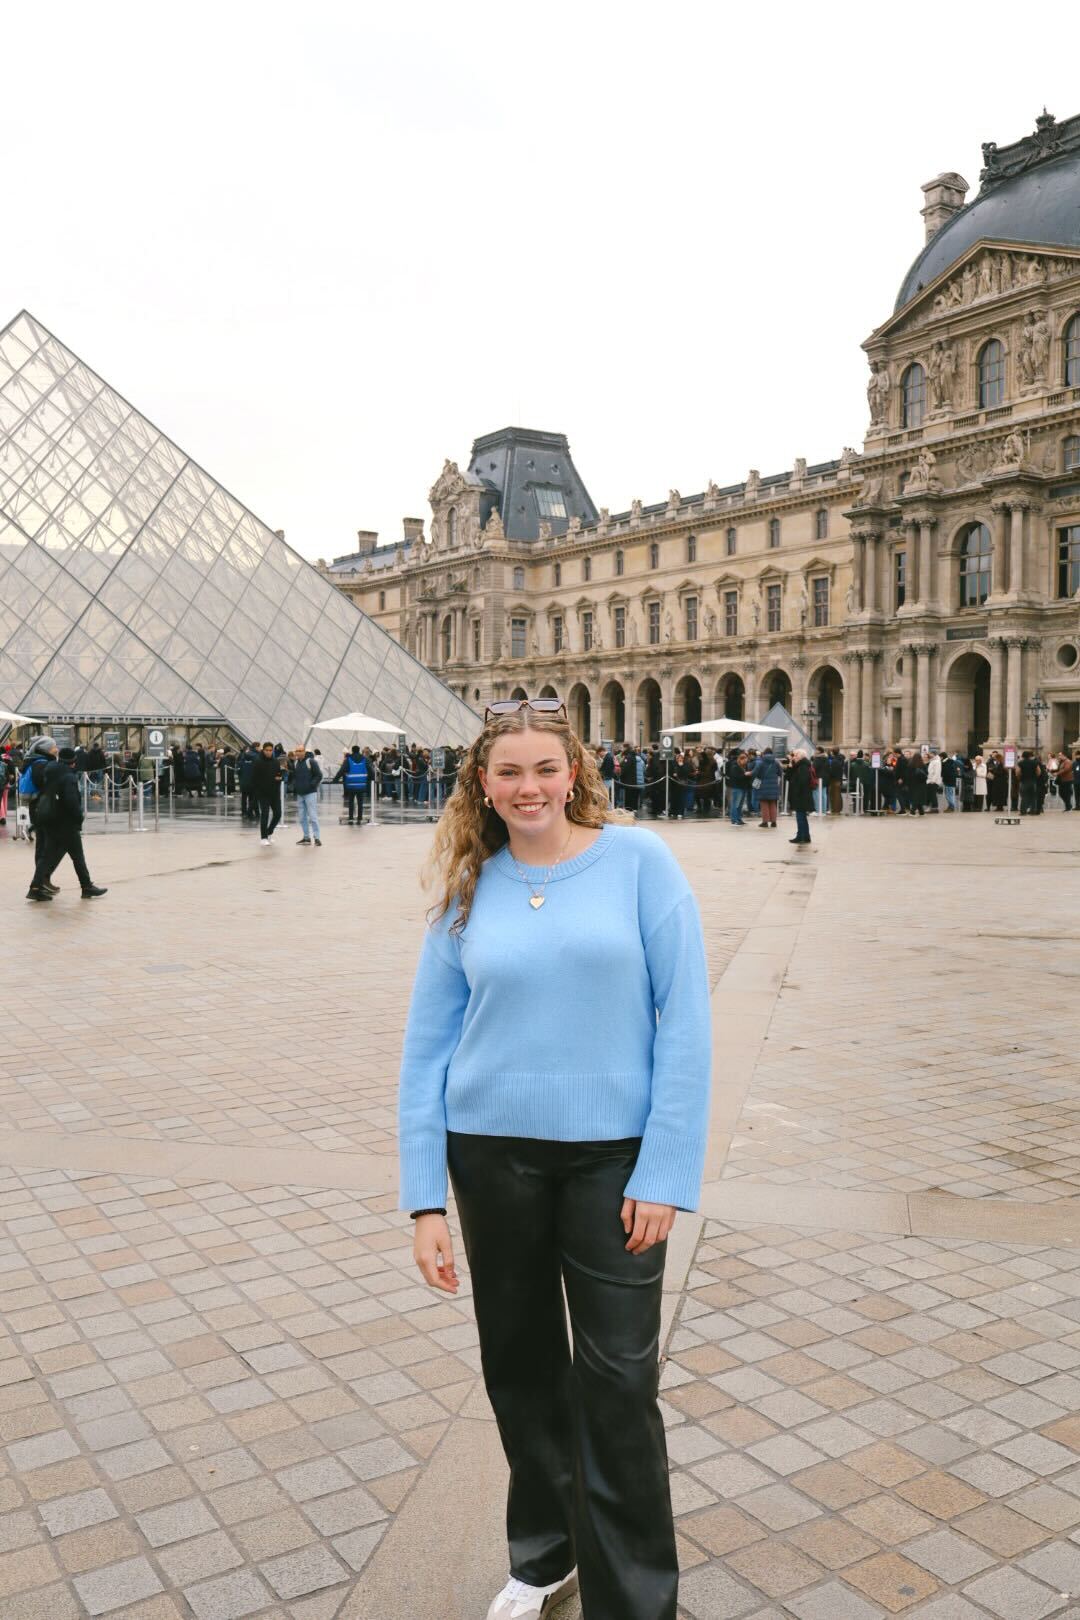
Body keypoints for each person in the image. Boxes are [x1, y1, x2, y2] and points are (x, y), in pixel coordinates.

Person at [399, 697, 711, 1620]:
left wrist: (665, 1169)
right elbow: (426, 1050)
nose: (528, 787)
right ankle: (544, 1556)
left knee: (620, 1382)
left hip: (614, 1162)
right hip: (491, 1157)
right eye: (508, 773)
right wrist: (425, 1201)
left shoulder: (641, 862)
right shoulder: (468, 885)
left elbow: (685, 1022)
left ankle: (636, 1600)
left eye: (544, 769)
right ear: (483, 786)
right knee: (522, 1371)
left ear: (572, 772)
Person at [28, 746, 107, 901]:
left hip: (51, 820)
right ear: (73, 762)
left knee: (47, 856)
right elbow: (71, 802)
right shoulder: (69, 777)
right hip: (66, 823)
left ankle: (35, 887)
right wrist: (79, 818)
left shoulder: (50, 772)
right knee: (78, 856)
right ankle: (86, 887)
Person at [251, 742, 283, 844]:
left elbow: (278, 774)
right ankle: (263, 837)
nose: (269, 752)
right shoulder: (258, 761)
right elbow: (254, 779)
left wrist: (279, 778)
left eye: (270, 750)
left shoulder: (276, 762)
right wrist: (258, 792)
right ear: (263, 750)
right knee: (264, 814)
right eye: (267, 750)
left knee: (278, 814)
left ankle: (269, 832)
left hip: (274, 793)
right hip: (263, 794)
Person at [292, 748, 323, 845]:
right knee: (302, 817)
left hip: (310, 793)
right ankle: (306, 837)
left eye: (301, 750)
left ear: (304, 752)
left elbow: (319, 775)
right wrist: (295, 785)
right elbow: (295, 776)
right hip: (300, 793)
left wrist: (312, 784)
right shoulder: (296, 763)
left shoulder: (310, 761)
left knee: (312, 816)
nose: (298, 752)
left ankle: (317, 837)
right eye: (297, 751)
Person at [334, 745, 369, 824]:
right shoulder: (364, 759)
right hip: (361, 784)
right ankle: (360, 817)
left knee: (351, 801)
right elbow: (370, 770)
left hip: (351, 784)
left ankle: (351, 817)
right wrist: (371, 779)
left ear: (352, 751)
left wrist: (335, 779)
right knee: (360, 802)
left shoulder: (348, 759)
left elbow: (342, 770)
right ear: (359, 750)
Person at [786, 748, 813, 845]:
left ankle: (801, 836)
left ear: (801, 756)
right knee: (801, 817)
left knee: (800, 817)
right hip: (800, 795)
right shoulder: (798, 766)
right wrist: (790, 765)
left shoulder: (803, 767)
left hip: (801, 796)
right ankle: (805, 836)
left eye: (795, 755)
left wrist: (795, 789)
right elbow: (788, 777)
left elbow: (802, 782)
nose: (794, 757)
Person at [756, 746, 781, 827]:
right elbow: (780, 773)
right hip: (774, 786)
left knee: (764, 804)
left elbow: (757, 772)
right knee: (773, 803)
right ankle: (774, 822)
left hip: (763, 785)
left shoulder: (761, 762)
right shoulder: (776, 762)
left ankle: (765, 822)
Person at [727, 749, 749, 826]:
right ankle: (734, 820)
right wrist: (745, 775)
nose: (746, 762)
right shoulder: (735, 766)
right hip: (737, 788)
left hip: (743, 787)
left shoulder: (744, 767)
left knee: (740, 805)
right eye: (745, 760)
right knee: (735, 804)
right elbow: (736, 777)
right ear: (740, 760)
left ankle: (739, 819)